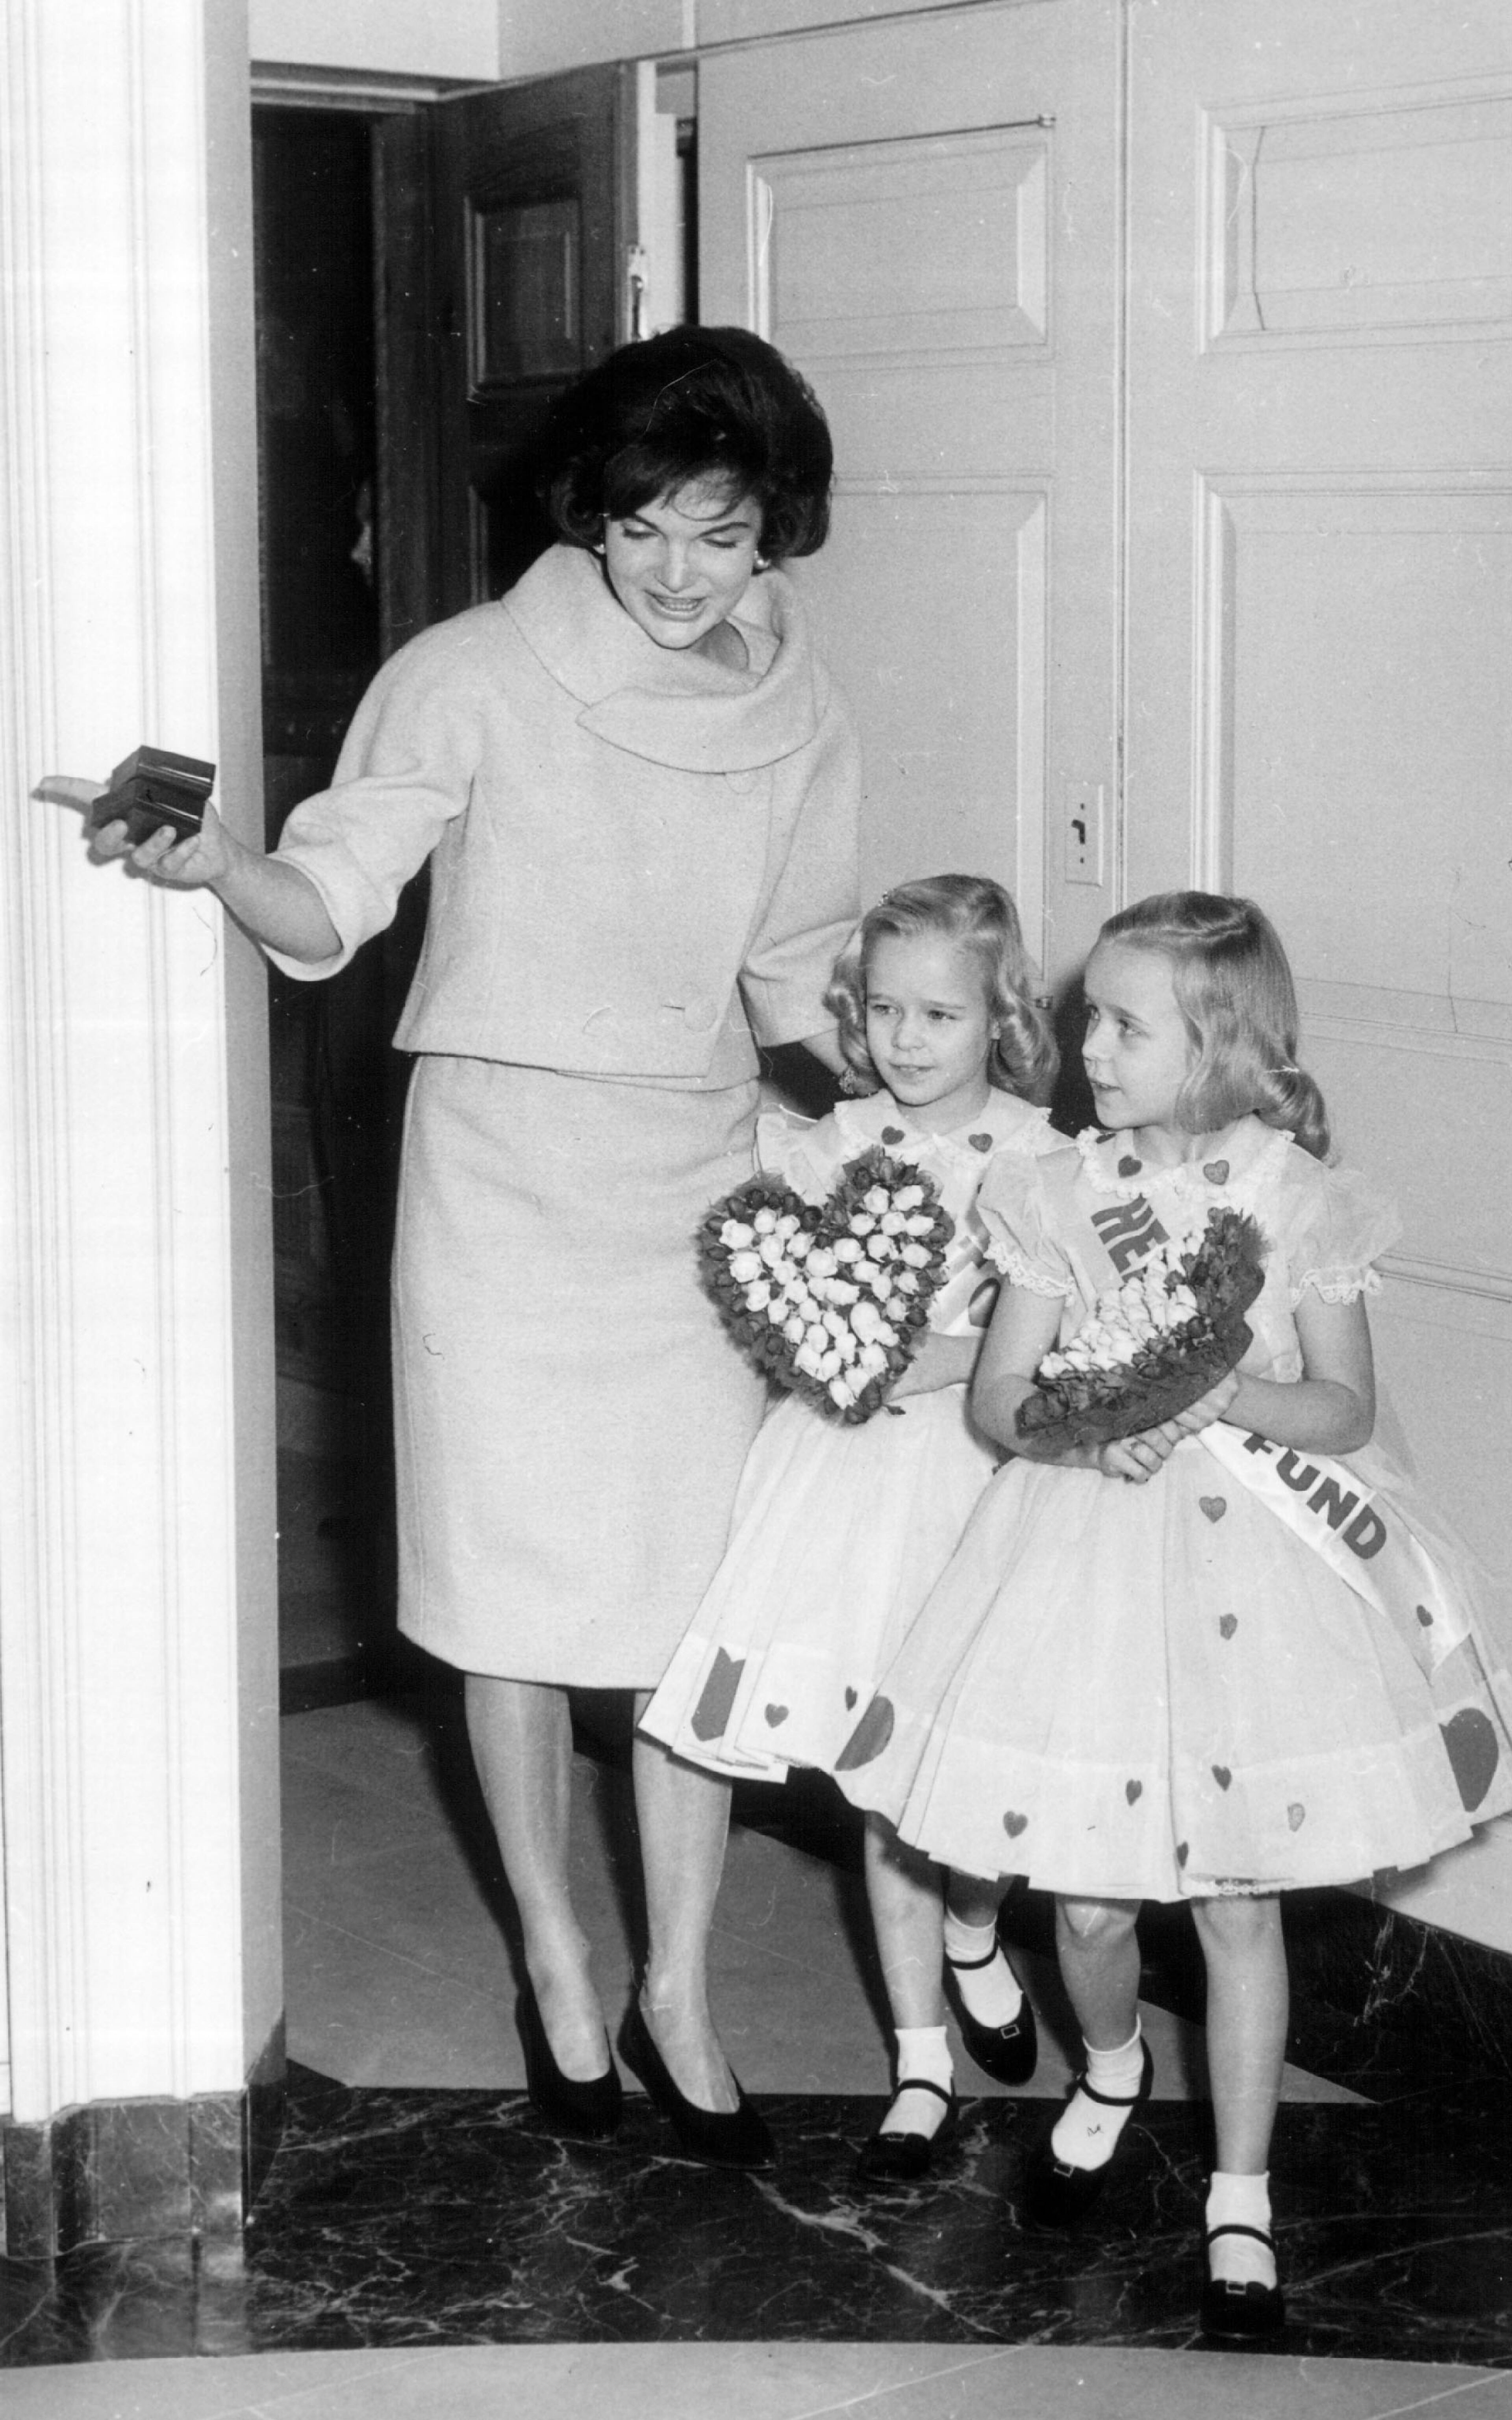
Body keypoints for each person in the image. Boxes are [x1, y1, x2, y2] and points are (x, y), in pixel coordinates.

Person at [77, 327, 861, 2168]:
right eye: (645, 527)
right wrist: (220, 865)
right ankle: (561, 1963)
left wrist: (924, 1106)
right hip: (502, 1181)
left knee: (690, 1611)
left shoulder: (802, 705)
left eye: (723, 534)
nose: (680, 571)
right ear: (592, 511)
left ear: (777, 529)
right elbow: (332, 899)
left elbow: (800, 969)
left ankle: (681, 1987)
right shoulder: (471, 672)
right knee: (509, 1596)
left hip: (696, 1177)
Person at [834, 891, 1512, 2330]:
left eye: (1125, 1027)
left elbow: (1344, 1406)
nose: (1089, 1047)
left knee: (1237, 1904)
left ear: (1218, 1045)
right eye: (1090, 1017)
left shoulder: (1298, 1196)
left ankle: (1241, 2191)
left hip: (1254, 1573)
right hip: (1085, 1552)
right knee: (1088, 1907)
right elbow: (1000, 1397)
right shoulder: (1054, 1191)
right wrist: (1089, 1428)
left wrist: (1226, 1391)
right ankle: (1113, 2062)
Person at [643, 875, 1056, 2183]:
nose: (907, 1038)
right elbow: (788, 1301)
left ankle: (978, 1926)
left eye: (941, 1012)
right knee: (885, 1783)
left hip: (980, 1474)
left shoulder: (1040, 1156)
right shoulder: (829, 1145)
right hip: (852, 1485)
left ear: (1001, 1016)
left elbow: (1045, 1332)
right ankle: (921, 2060)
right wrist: (831, 1348)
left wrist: (932, 1360)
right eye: (884, 1010)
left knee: (982, 1764)